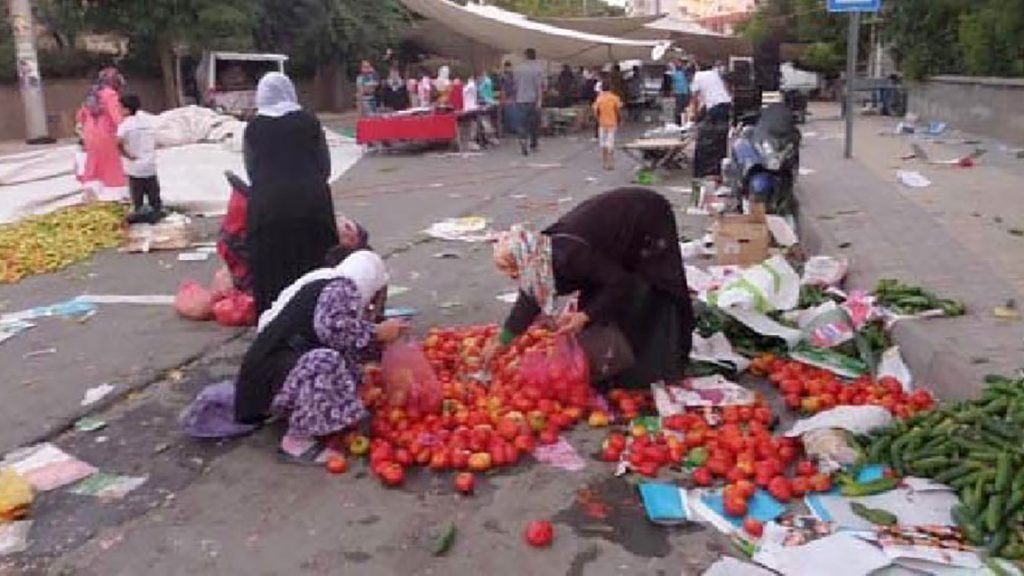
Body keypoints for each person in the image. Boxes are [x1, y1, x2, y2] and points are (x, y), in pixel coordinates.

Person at [487, 188, 694, 390]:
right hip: (614, 235)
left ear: (526, 261)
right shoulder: (540, 258)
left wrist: (585, 315)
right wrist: (502, 341)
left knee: (652, 291)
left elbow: (620, 283)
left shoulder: (569, 255)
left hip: (647, 218)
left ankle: (660, 364)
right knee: (601, 306)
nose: (514, 278)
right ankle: (620, 364)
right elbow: (529, 298)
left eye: (515, 271)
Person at [234, 250, 408, 458]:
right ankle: (297, 441)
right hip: (268, 377)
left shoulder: (329, 284)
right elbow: (333, 331)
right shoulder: (342, 288)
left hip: (275, 372)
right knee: (327, 362)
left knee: (347, 368)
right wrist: (377, 333)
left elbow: (339, 338)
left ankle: (302, 412)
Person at [244, 72, 339, 315]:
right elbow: (324, 166)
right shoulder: (308, 122)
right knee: (315, 265)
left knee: (272, 270)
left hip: (268, 208)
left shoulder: (254, 128)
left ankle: (275, 325)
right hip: (311, 205)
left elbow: (252, 170)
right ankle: (319, 320)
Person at [76, 67, 127, 202]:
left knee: (93, 164)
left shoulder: (92, 94)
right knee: (111, 166)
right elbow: (117, 117)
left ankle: (90, 192)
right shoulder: (110, 94)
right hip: (106, 134)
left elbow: (80, 117)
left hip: (89, 135)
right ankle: (114, 198)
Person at [117, 94, 162, 224]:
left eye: (120, 107)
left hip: (135, 167)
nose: (118, 110)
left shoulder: (125, 125)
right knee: (154, 197)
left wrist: (126, 154)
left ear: (126, 109)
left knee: (138, 199)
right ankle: (156, 217)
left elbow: (118, 143)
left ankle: (140, 219)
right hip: (150, 165)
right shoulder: (147, 122)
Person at [513, 48, 546, 156]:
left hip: (520, 99)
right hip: (533, 100)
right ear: (535, 56)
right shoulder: (539, 69)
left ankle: (523, 141)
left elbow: (515, 85)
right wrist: (540, 101)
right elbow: (541, 86)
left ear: (525, 56)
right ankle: (533, 144)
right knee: (534, 124)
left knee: (522, 123)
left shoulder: (518, 69)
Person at [593, 77, 623, 170]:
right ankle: (611, 163)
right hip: (612, 123)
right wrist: (620, 120)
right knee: (611, 144)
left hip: (602, 123)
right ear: (611, 88)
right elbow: (618, 110)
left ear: (602, 88)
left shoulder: (599, 99)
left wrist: (598, 119)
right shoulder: (614, 98)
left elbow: (595, 111)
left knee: (603, 144)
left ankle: (604, 163)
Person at [669, 60, 691, 125]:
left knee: (681, 107)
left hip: (681, 92)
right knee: (682, 107)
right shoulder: (679, 74)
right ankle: (681, 121)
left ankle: (681, 121)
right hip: (683, 92)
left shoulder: (675, 74)